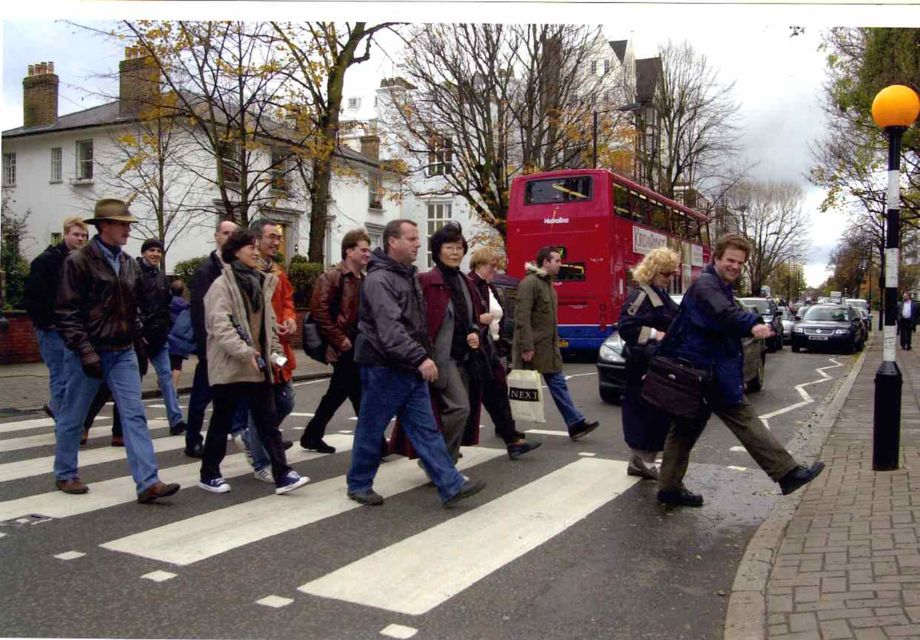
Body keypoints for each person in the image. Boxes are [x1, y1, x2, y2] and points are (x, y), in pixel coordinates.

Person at [656, 233, 825, 507]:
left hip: (701, 369)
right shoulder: (708, 286)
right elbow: (724, 314)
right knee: (743, 418)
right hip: (706, 372)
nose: (735, 266)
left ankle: (669, 488)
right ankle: (788, 473)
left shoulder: (718, 284)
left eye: (740, 262)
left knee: (685, 428)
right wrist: (751, 324)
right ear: (717, 258)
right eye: (730, 260)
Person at [346, 219, 485, 507]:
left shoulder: (406, 275)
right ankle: (359, 483)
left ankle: (450, 484)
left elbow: (417, 325)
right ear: (392, 242)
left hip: (407, 367)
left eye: (417, 238)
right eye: (411, 238)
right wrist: (421, 357)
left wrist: (423, 356)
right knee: (372, 429)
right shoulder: (380, 280)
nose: (418, 243)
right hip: (384, 367)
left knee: (427, 431)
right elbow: (390, 330)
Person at [54, 198, 180, 502]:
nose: (128, 229)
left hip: (122, 349)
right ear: (105, 226)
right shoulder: (78, 261)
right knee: (74, 415)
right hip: (89, 351)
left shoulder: (126, 262)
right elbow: (67, 312)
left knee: (134, 415)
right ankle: (65, 473)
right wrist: (85, 352)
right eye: (123, 224)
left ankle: (148, 482)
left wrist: (138, 339)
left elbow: (132, 306)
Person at [198, 227, 308, 495]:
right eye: (251, 248)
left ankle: (283, 474)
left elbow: (267, 324)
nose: (256, 252)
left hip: (258, 367)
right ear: (236, 251)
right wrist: (247, 353)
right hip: (232, 365)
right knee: (222, 421)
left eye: (257, 248)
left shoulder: (260, 282)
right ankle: (209, 473)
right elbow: (220, 326)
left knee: (268, 422)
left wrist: (275, 356)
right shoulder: (221, 286)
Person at [389, 222, 483, 463]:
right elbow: (415, 320)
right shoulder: (427, 281)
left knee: (451, 410)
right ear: (438, 250)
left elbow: (473, 318)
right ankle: (441, 462)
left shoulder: (466, 283)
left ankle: (439, 460)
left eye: (459, 247)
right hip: (440, 358)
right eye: (449, 247)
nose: (455, 252)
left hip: (465, 358)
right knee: (460, 408)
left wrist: (475, 331)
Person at [228, 219, 299, 483]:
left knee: (285, 401)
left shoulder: (278, 272)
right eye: (271, 236)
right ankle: (261, 460)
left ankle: (251, 439)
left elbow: (288, 301)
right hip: (258, 349)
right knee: (263, 408)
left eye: (279, 237)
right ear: (256, 240)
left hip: (279, 349)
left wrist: (290, 318)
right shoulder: (245, 273)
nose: (276, 241)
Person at [512, 247, 599, 440]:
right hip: (532, 348)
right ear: (545, 262)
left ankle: (575, 423)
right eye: (557, 260)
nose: (561, 264)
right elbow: (522, 316)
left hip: (548, 349)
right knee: (518, 386)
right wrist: (526, 346)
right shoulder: (530, 283)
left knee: (558, 384)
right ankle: (505, 425)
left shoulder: (548, 285)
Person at [301, 228, 372, 454]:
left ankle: (312, 434)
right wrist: (338, 339)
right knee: (357, 392)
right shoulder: (332, 277)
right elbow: (319, 311)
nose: (367, 254)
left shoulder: (364, 279)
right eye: (363, 250)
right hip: (343, 345)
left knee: (341, 391)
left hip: (357, 344)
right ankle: (375, 444)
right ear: (349, 251)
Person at [616, 247, 681, 480]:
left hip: (655, 363)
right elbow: (626, 327)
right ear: (653, 271)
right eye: (666, 273)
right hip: (642, 363)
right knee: (643, 411)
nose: (670, 278)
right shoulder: (642, 295)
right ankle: (641, 460)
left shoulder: (658, 293)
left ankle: (643, 459)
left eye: (672, 273)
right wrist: (655, 333)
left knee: (655, 412)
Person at [23, 216, 89, 419]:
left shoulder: (82, 261)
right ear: (65, 234)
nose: (80, 239)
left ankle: (57, 408)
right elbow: (31, 296)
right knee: (60, 374)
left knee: (75, 375)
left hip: (72, 327)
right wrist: (46, 321)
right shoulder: (46, 260)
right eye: (76, 234)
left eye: (84, 236)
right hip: (52, 328)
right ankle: (63, 422)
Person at [185, 219, 239, 457]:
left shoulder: (236, 266)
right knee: (201, 395)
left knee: (227, 396)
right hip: (211, 343)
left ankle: (224, 434)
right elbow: (199, 309)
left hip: (231, 342)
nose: (228, 237)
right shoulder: (206, 269)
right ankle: (192, 439)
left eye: (233, 233)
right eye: (225, 233)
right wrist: (203, 345)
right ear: (216, 236)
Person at [135, 238, 186, 435]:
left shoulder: (162, 278)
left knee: (166, 377)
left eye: (158, 251)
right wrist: (139, 332)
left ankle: (176, 420)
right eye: (151, 250)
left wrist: (165, 329)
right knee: (134, 381)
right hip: (140, 337)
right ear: (144, 253)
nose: (155, 254)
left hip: (159, 337)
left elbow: (166, 307)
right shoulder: (135, 274)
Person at [167, 279, 195, 390]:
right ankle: (172, 389)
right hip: (180, 338)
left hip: (167, 336)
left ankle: (164, 385)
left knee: (165, 364)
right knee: (177, 366)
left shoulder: (167, 303)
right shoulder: (186, 306)